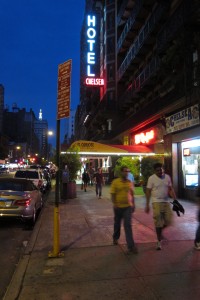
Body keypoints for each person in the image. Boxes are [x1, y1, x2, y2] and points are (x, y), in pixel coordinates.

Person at [145, 162, 177, 250]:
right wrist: (147, 204)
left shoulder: (167, 177)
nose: (160, 172)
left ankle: (160, 231)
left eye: (161, 169)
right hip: (156, 202)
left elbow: (170, 189)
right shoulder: (151, 178)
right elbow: (148, 191)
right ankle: (159, 241)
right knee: (158, 221)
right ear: (155, 171)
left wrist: (175, 200)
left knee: (169, 220)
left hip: (166, 202)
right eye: (158, 170)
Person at [110, 165, 137, 254]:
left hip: (127, 207)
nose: (126, 173)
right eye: (125, 171)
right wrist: (115, 204)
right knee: (117, 224)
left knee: (127, 226)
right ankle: (115, 237)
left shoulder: (129, 182)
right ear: (121, 172)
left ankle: (131, 246)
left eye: (128, 171)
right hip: (118, 207)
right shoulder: (115, 182)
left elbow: (132, 194)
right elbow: (113, 194)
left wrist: (133, 204)